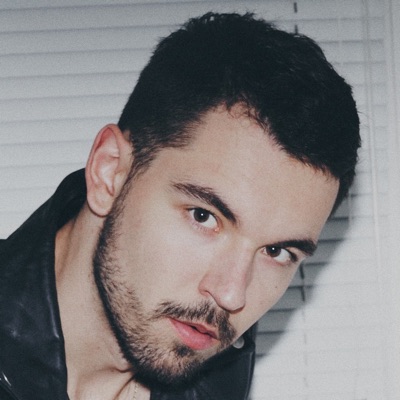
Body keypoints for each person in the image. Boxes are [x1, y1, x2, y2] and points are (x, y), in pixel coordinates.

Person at [0, 12, 360, 400]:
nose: (231, 295)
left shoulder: (216, 376)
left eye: (276, 252)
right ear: (109, 172)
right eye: (204, 216)